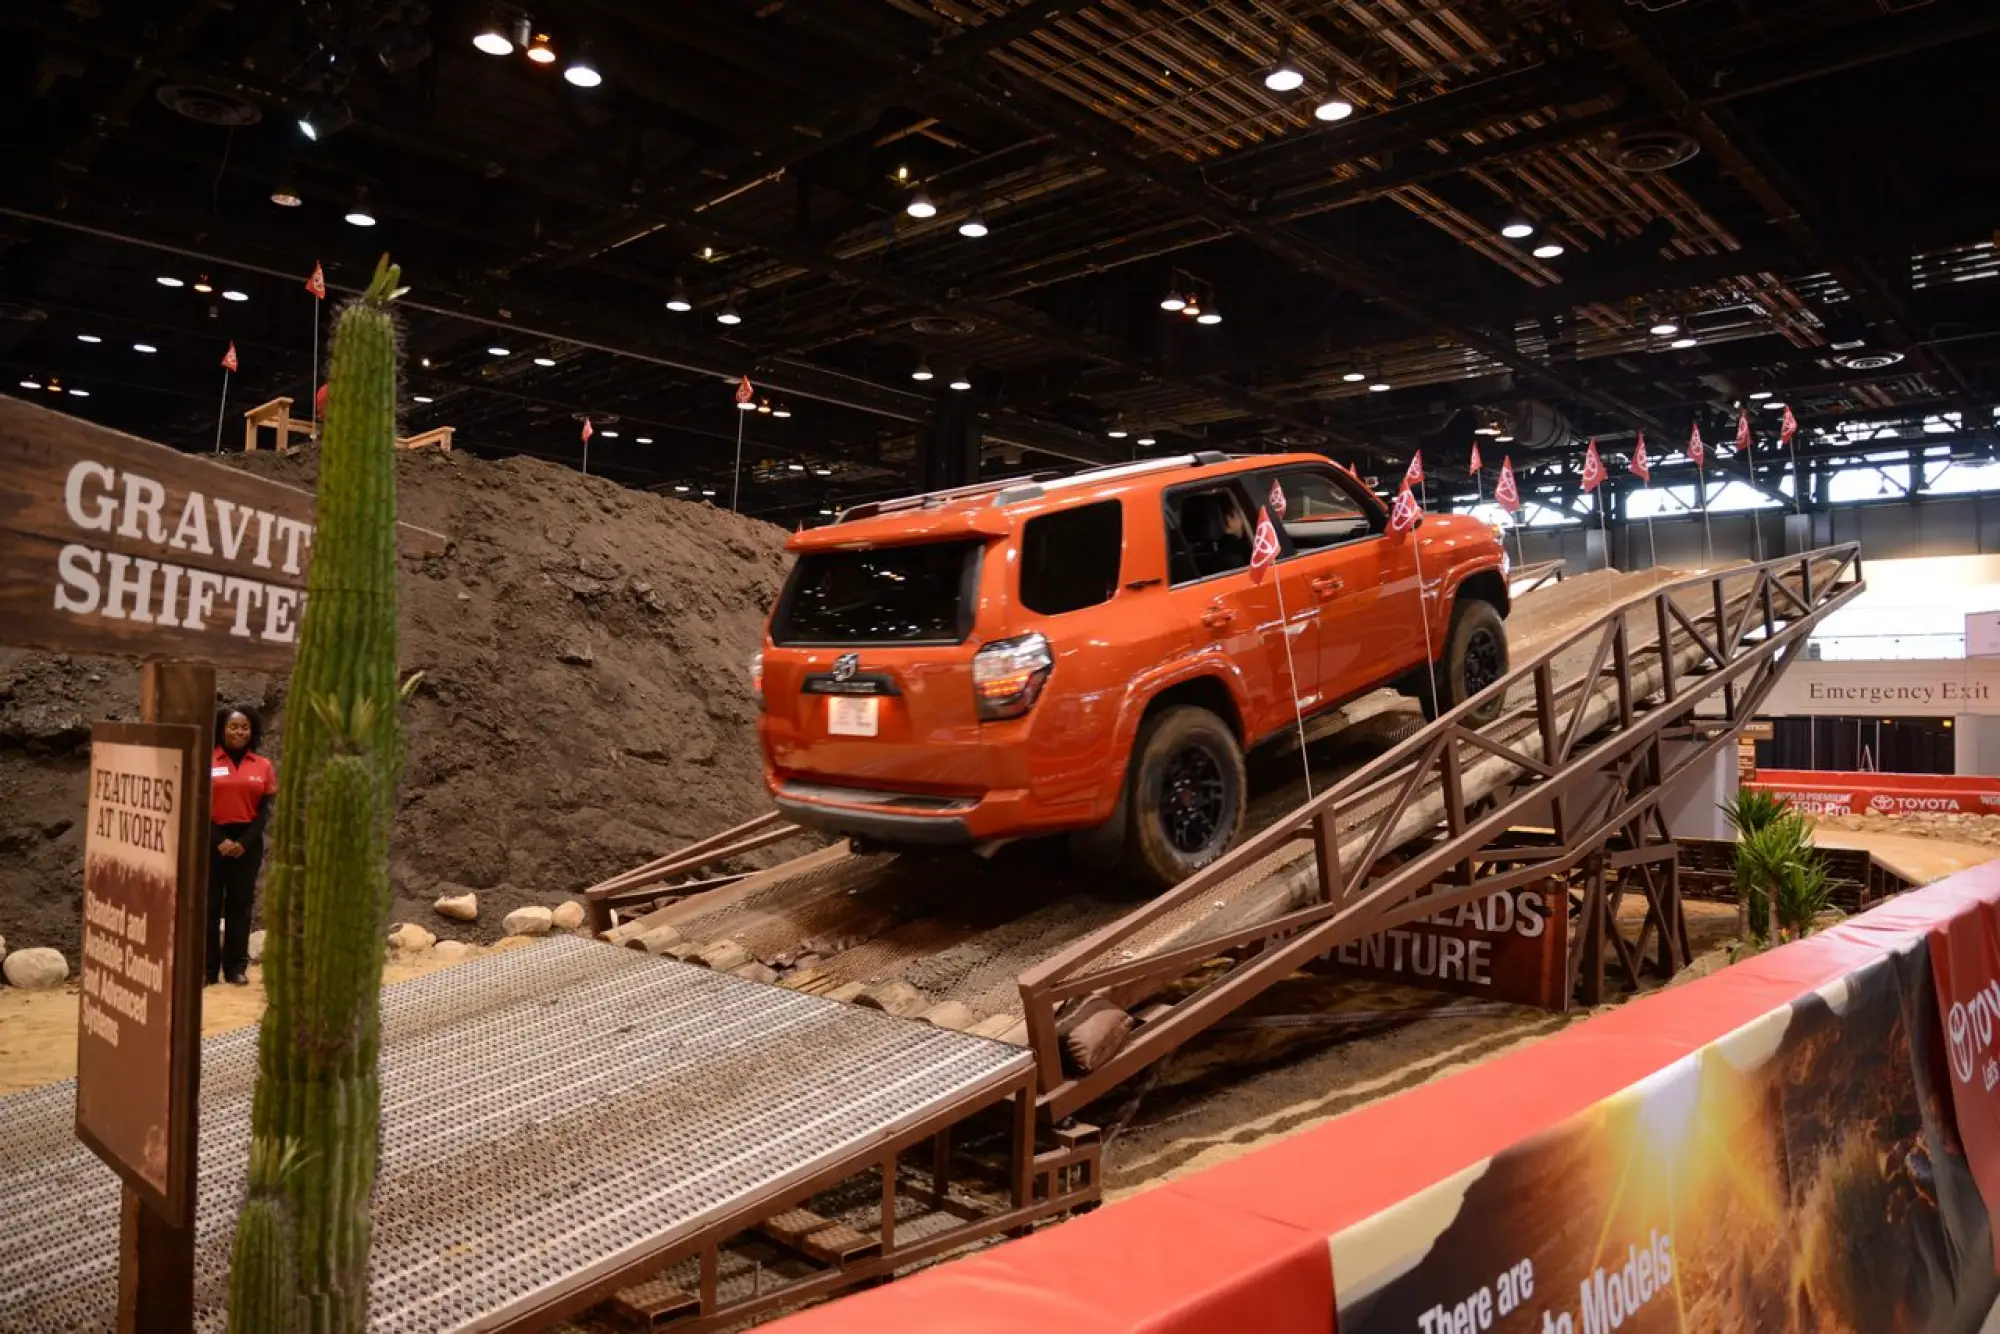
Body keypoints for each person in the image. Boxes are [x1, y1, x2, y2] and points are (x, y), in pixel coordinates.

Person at [209, 707, 277, 986]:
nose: (239, 732)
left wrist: (243, 843)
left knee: (241, 905)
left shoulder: (262, 765)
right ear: (222, 729)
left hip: (247, 843)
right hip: (211, 840)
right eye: (233, 727)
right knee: (209, 907)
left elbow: (265, 810)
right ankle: (207, 969)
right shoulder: (207, 761)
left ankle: (236, 967)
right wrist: (220, 840)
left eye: (244, 727)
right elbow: (198, 804)